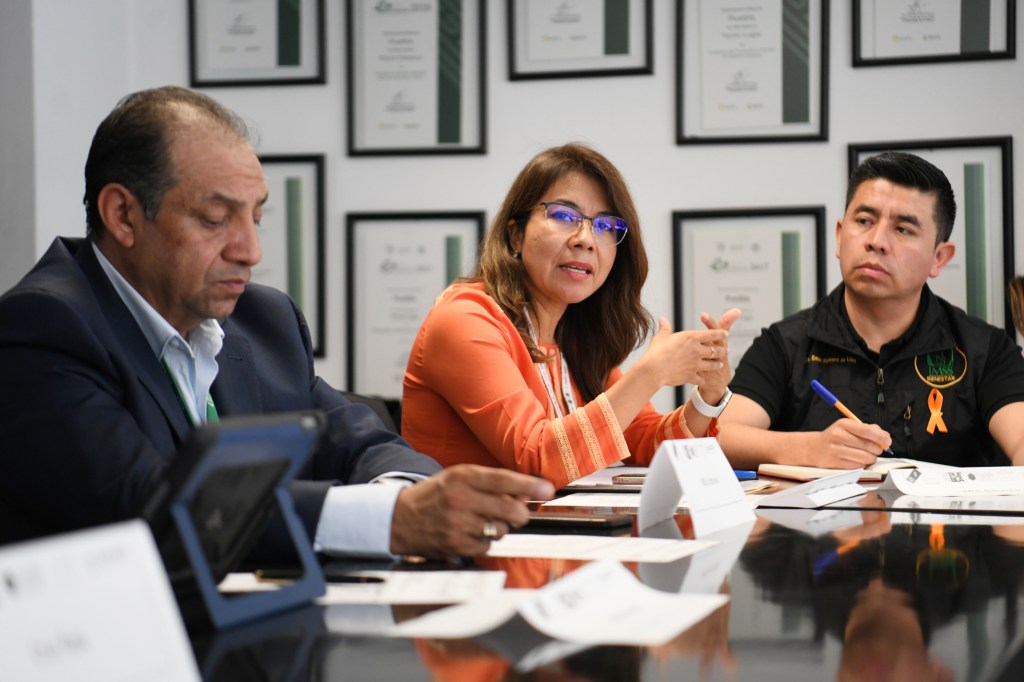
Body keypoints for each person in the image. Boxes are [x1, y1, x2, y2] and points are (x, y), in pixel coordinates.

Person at [0, 86, 553, 559]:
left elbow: (358, 441)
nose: (250, 251)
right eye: (215, 219)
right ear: (123, 215)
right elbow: (153, 506)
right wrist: (389, 521)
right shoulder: (43, 328)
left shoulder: (263, 320)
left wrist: (407, 493)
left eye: (256, 217)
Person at [402, 143, 740, 488]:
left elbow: (642, 441)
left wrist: (709, 395)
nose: (586, 239)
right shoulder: (464, 319)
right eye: (564, 216)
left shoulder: (576, 336)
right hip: (472, 522)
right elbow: (538, 459)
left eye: (605, 225)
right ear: (515, 234)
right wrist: (652, 372)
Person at [717, 151, 1024, 469]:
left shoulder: (985, 350)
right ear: (839, 237)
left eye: (903, 229)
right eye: (864, 221)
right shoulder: (786, 344)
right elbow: (722, 436)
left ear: (939, 258)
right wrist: (807, 448)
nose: (877, 241)